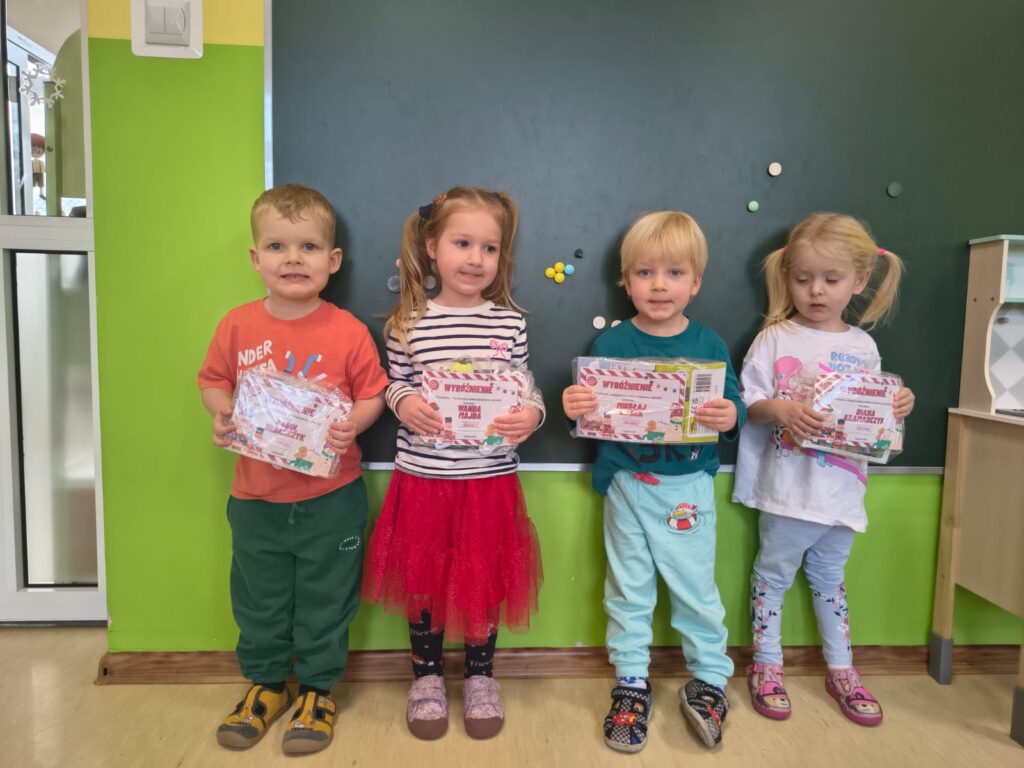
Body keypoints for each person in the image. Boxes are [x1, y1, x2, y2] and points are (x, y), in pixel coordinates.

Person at [198, 184, 387, 755]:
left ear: (333, 260)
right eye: (277, 246)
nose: (293, 259)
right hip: (256, 497)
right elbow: (213, 381)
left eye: (308, 247)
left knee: (328, 599)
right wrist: (222, 412)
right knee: (259, 598)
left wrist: (354, 423)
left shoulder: (347, 330)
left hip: (332, 497)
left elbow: (373, 393)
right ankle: (265, 685)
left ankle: (317, 691)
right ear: (256, 257)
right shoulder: (237, 325)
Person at [362, 186, 544, 741]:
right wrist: (404, 403)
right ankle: (427, 677)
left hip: (488, 480)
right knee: (424, 581)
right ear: (431, 247)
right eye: (463, 243)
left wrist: (532, 416)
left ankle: (482, 676)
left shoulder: (508, 322)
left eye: (489, 248)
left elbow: (525, 386)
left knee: (483, 579)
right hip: (425, 478)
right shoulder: (407, 321)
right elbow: (394, 382)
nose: (476, 259)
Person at [562, 211, 745, 752]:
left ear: (696, 282)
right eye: (645, 273)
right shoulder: (612, 344)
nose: (659, 285)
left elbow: (733, 403)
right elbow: (591, 414)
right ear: (626, 280)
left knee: (695, 589)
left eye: (674, 273)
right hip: (626, 484)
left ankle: (709, 679)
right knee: (628, 588)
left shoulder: (710, 344)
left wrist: (729, 416)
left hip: (687, 486)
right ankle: (631, 682)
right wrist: (576, 407)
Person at [732, 212, 915, 727]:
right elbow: (748, 403)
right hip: (789, 488)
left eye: (831, 280)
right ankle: (767, 665)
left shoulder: (864, 346)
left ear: (859, 280)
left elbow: (873, 416)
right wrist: (781, 409)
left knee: (830, 579)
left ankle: (841, 669)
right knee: (772, 576)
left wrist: (898, 405)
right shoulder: (775, 337)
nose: (816, 291)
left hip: (841, 491)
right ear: (786, 276)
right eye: (803, 278)